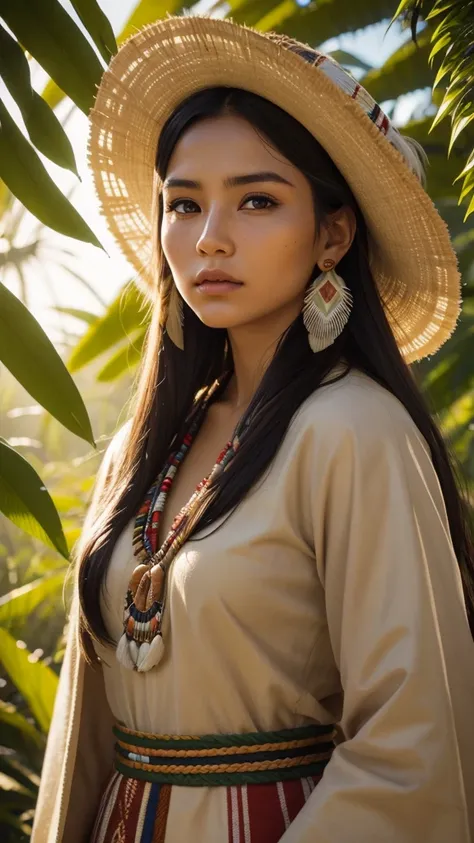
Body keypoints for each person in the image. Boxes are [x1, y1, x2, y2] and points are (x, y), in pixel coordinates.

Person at [31, 14, 474, 843]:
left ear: (333, 233)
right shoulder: (144, 446)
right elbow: (82, 733)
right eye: (184, 203)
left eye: (258, 200)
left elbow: (410, 752)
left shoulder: (355, 433)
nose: (209, 239)